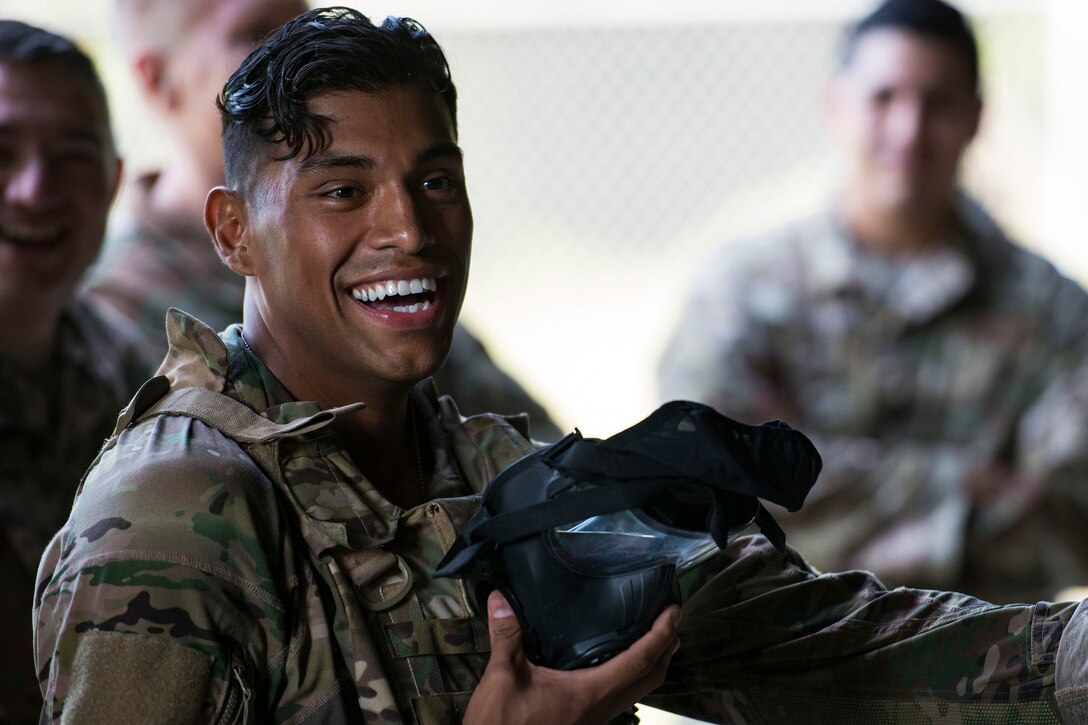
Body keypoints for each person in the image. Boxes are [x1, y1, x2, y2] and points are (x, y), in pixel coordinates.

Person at [34, 8, 1088, 724]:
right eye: (341, 190)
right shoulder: (171, 516)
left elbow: (834, 647)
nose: (408, 228)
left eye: (435, 179)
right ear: (234, 232)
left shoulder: (507, 478)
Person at [658, 0, 1088, 604]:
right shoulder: (744, 289)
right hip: (775, 669)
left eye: (937, 103)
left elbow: (1071, 518)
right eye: (884, 98)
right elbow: (695, 483)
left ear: (975, 116)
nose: (908, 129)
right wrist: (974, 489)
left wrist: (810, 481)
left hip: (988, 675)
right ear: (835, 106)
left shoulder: (1053, 312)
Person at [91, 0, 563, 440]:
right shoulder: (117, 318)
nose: (408, 231)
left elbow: (537, 456)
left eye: (303, 23)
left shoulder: (400, 267)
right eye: (255, 36)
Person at [0, 20, 148, 724]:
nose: (34, 191)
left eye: (73, 158)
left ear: (114, 181)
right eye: (1, 152)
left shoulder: (139, 377)